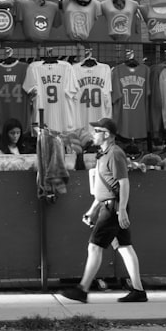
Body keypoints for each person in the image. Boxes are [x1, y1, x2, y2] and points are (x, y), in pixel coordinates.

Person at [62, 117, 147, 303]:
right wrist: (93, 209)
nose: (93, 134)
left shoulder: (115, 153)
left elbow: (124, 183)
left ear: (107, 134)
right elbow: (105, 186)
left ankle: (82, 289)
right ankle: (138, 291)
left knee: (94, 247)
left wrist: (122, 209)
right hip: (110, 206)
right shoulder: (105, 153)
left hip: (113, 209)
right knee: (125, 248)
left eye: (97, 131)